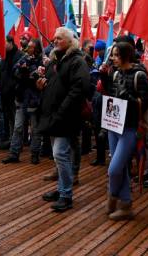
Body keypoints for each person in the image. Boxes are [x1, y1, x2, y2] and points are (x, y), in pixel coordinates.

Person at [36, 27, 90, 213]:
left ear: (69, 41)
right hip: (52, 116)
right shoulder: (53, 62)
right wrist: (41, 85)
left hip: (66, 117)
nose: (55, 40)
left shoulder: (77, 62)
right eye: (54, 38)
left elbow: (78, 89)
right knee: (58, 156)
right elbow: (50, 86)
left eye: (59, 38)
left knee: (60, 154)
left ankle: (66, 195)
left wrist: (62, 110)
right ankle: (61, 189)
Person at [99, 41, 148, 221]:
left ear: (126, 55)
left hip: (130, 127)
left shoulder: (139, 75)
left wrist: (127, 97)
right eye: (112, 54)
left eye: (115, 54)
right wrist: (104, 78)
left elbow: (144, 102)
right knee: (120, 168)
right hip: (114, 125)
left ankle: (112, 196)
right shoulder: (115, 74)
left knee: (114, 169)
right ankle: (126, 204)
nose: (112, 58)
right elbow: (113, 96)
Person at [3, 37, 43, 164]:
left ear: (36, 48)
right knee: (18, 127)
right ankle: (14, 153)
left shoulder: (42, 60)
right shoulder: (24, 58)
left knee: (35, 129)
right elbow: (15, 71)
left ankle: (35, 154)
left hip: (34, 99)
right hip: (21, 97)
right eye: (28, 47)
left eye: (31, 47)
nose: (28, 49)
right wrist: (22, 70)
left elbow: (38, 76)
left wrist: (29, 71)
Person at [0, 36, 23, 150]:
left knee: (16, 120)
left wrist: (12, 87)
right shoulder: (4, 55)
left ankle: (17, 143)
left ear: (10, 43)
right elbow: (1, 73)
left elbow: (16, 75)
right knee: (8, 118)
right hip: (4, 93)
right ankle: (11, 140)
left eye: (4, 42)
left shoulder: (19, 55)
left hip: (14, 93)